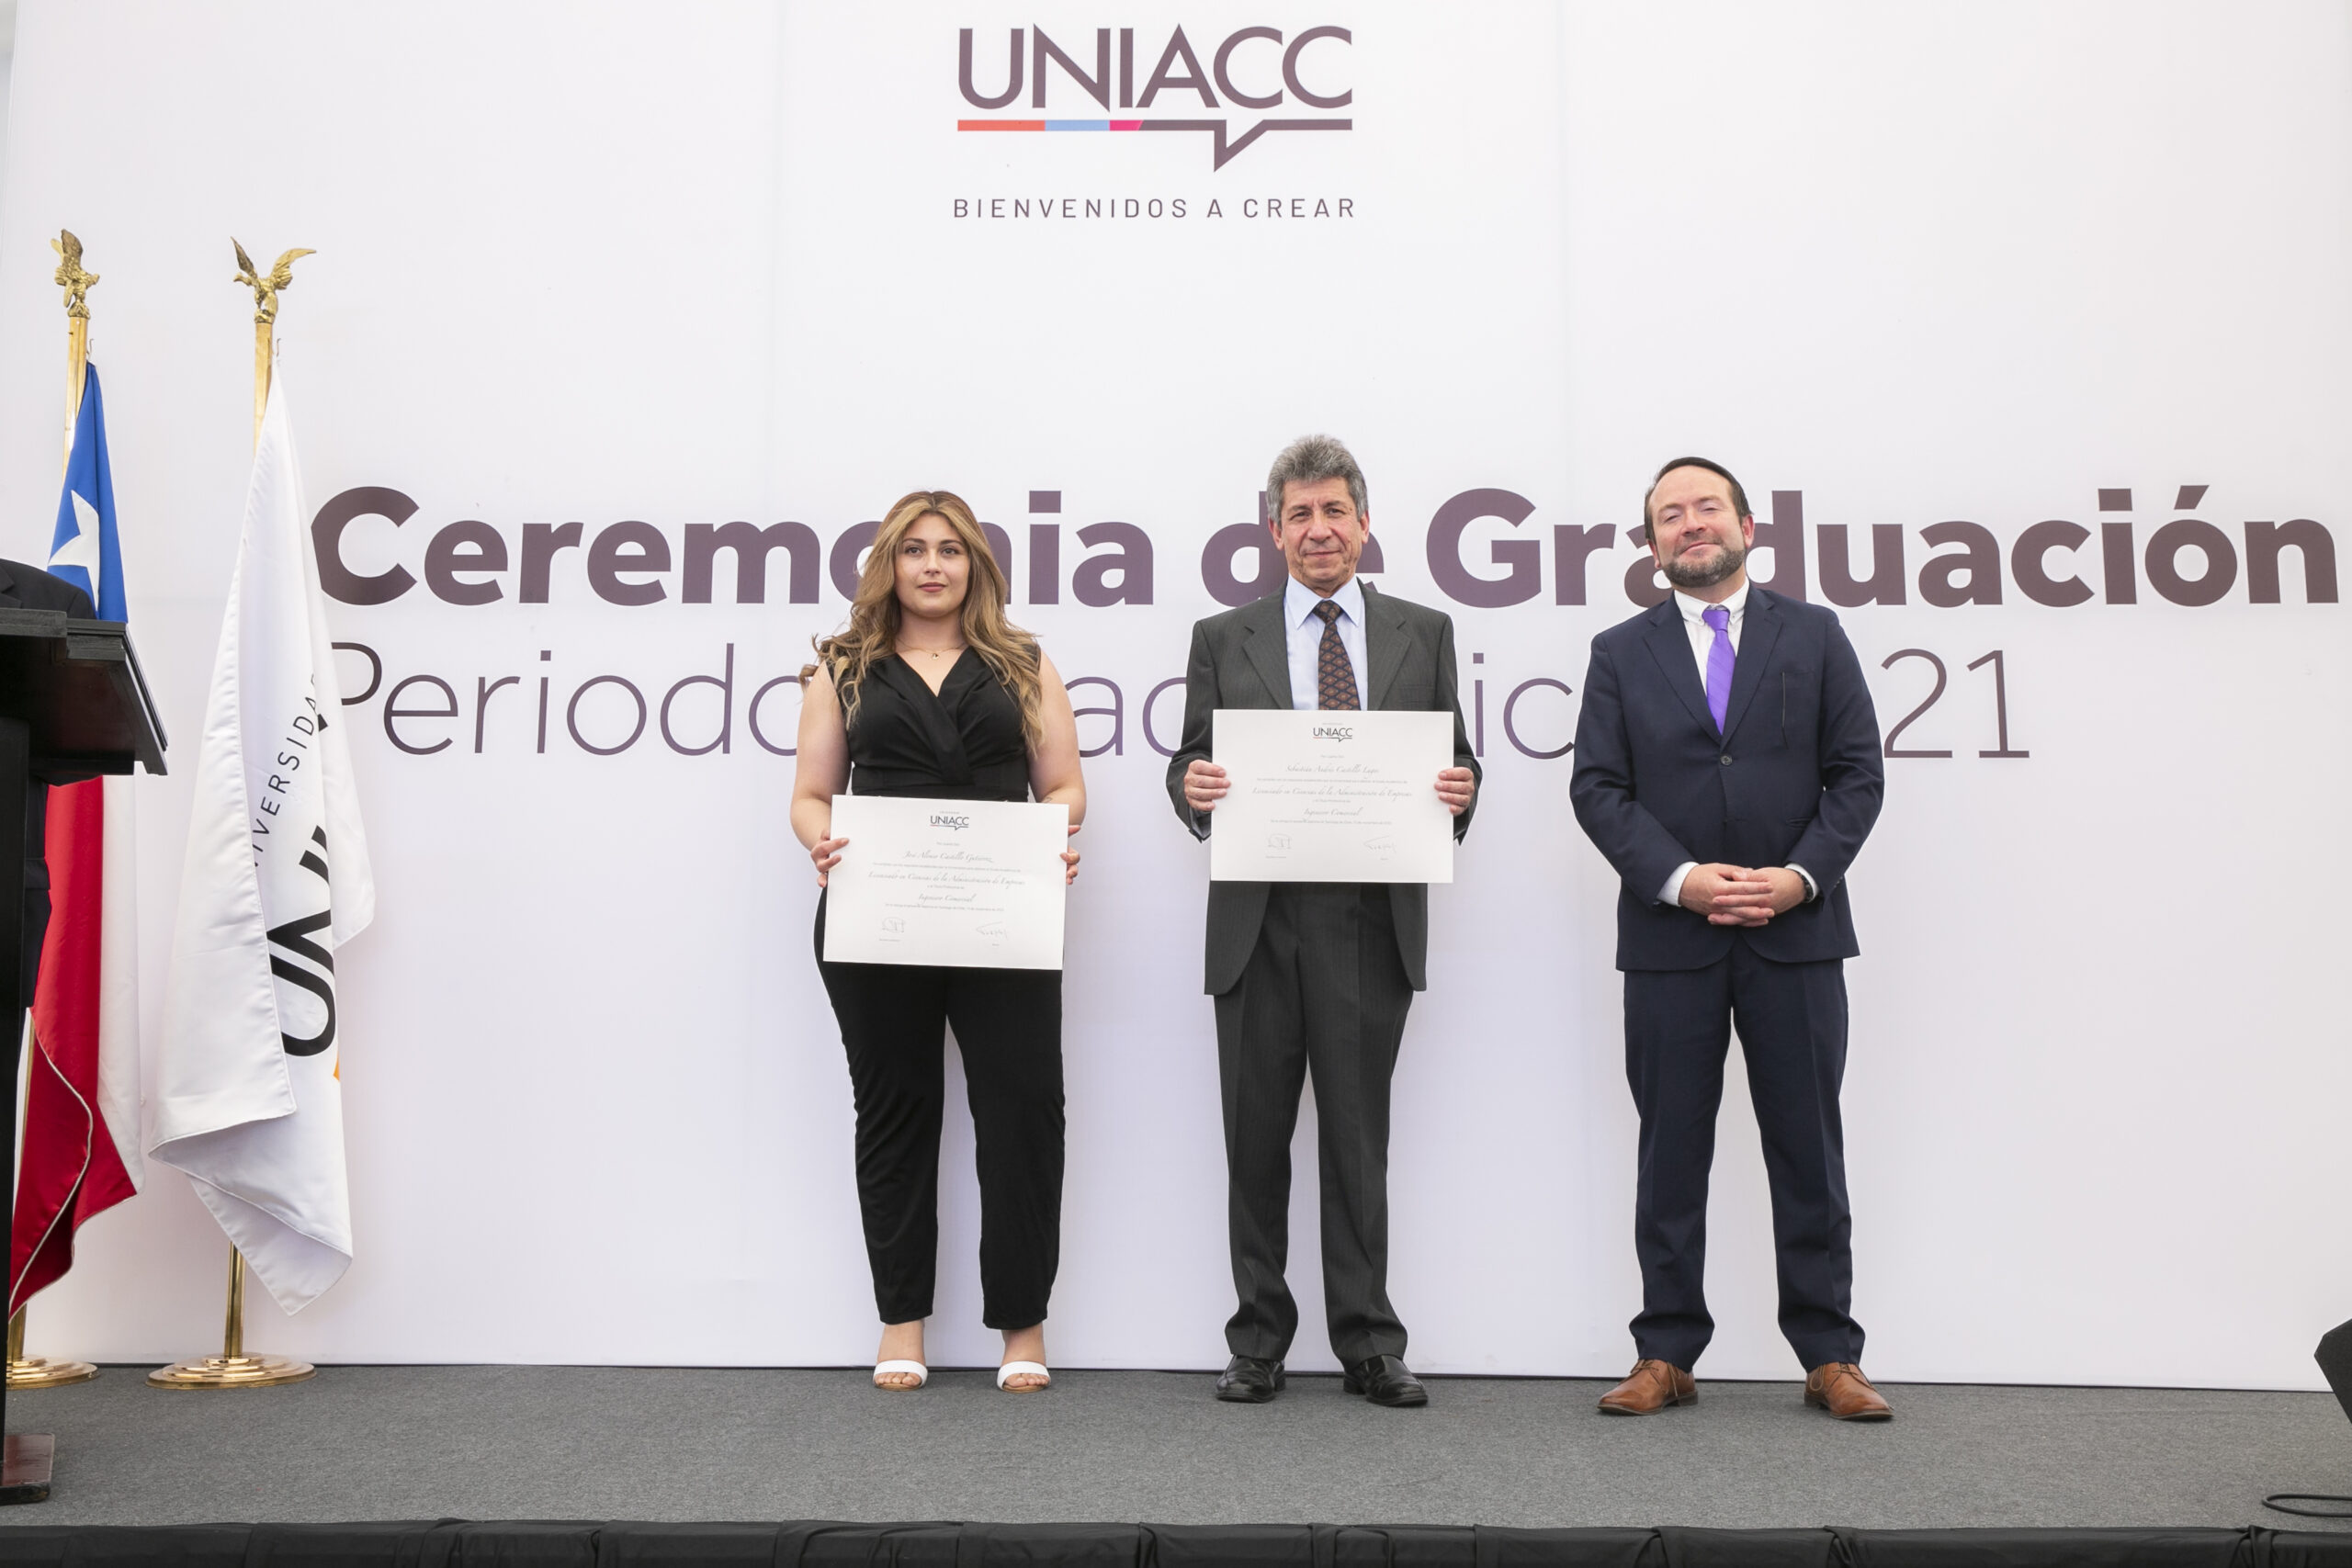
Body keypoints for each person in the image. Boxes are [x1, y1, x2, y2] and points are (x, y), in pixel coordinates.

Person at [1567, 457, 1891, 1421]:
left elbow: (1857, 774)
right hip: (1673, 939)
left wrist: (1797, 878)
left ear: (1748, 527)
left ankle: (1830, 1356)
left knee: (1808, 1149)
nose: (1689, 524)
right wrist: (1682, 880)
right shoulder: (1619, 653)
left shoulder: (1816, 634)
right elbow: (1597, 788)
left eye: (1706, 507)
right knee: (1670, 1152)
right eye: (1669, 515)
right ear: (1652, 544)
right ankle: (1664, 1353)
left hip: (1798, 934)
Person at [1167, 434, 1479, 1408]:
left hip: (1367, 919)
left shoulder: (1425, 632)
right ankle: (1257, 1340)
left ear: (1364, 522)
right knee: (1254, 1141)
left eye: (1333, 511)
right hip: (1257, 919)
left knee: (1356, 1142)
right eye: (1298, 514)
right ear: (1273, 531)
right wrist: (1194, 787)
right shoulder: (1223, 637)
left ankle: (1369, 1343)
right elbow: (1187, 763)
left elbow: (1458, 764)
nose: (1317, 529)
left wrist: (1461, 790)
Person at [791, 491, 1084, 1393]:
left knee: (1022, 1113)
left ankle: (1023, 1329)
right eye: (914, 549)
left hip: (1003, 913)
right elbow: (809, 796)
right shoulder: (843, 666)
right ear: (888, 563)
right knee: (896, 1112)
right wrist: (821, 842)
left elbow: (1064, 786)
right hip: (876, 916)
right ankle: (901, 1323)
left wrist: (1053, 838)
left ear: (975, 566)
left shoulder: (1024, 662)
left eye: (950, 550)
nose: (931, 565)